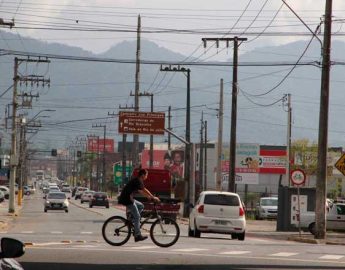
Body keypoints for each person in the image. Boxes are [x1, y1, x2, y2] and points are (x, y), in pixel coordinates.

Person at [118, 169, 160, 242]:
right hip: (127, 198)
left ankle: (131, 219)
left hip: (129, 197)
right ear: (143, 175)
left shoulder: (138, 180)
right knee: (137, 216)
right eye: (146, 175)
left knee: (141, 206)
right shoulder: (138, 180)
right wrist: (152, 197)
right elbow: (142, 190)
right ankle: (137, 235)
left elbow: (142, 190)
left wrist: (150, 196)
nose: (147, 176)